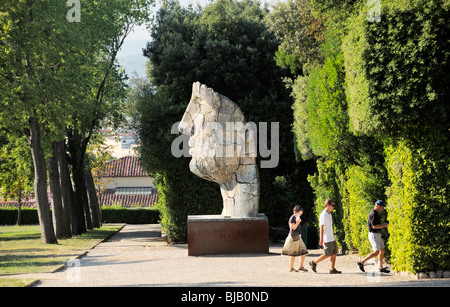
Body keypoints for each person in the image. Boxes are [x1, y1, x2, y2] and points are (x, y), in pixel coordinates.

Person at [309, 198, 342, 274]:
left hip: (332, 237)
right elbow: (321, 227)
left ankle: (332, 269)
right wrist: (321, 239)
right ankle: (314, 262)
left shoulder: (329, 214)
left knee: (334, 253)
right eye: (332, 205)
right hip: (327, 238)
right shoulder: (323, 215)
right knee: (327, 254)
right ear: (327, 205)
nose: (333, 207)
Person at [357, 200, 389, 273]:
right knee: (376, 252)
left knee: (382, 250)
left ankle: (380, 267)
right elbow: (374, 226)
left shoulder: (376, 213)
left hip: (377, 234)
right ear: (378, 206)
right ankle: (362, 262)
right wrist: (385, 225)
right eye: (382, 207)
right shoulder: (373, 214)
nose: (382, 209)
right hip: (374, 234)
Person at [281, 205, 309, 272]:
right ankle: (291, 268)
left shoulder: (296, 217)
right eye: (301, 212)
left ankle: (301, 266)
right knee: (293, 253)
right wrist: (298, 223)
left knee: (303, 251)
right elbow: (292, 228)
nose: (302, 213)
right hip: (293, 237)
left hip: (298, 236)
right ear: (297, 212)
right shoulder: (292, 218)